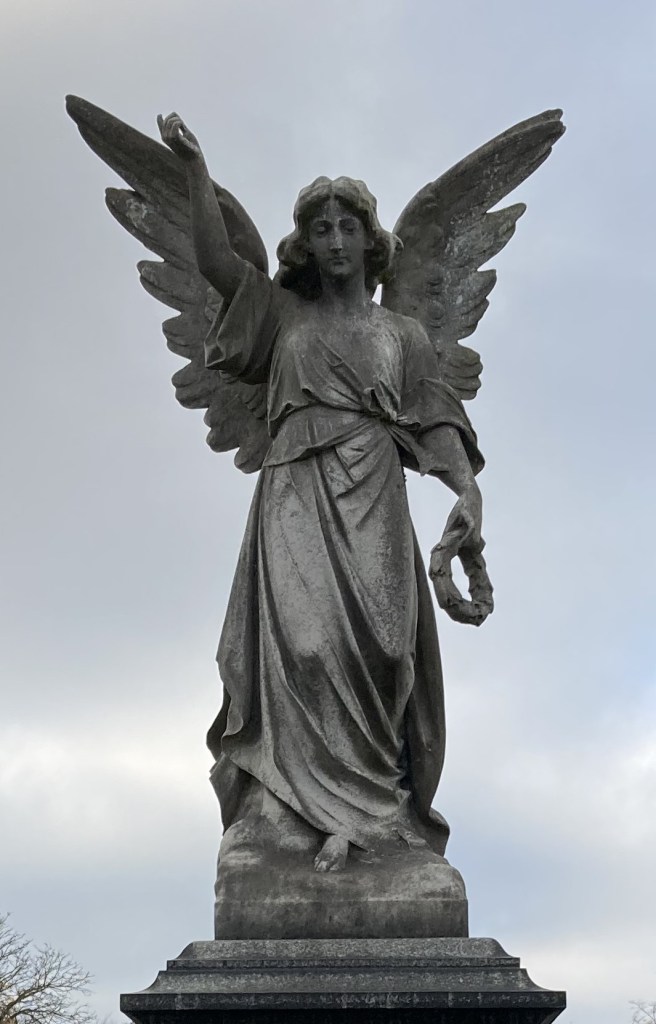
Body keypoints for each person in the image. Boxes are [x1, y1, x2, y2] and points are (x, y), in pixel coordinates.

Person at [159, 113, 485, 873]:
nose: (336, 240)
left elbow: (436, 420)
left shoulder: (403, 334)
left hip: (375, 491)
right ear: (305, 243)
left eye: (348, 227)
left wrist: (467, 494)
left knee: (385, 652)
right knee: (304, 647)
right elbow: (215, 260)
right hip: (296, 489)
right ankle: (287, 811)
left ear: (371, 240)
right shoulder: (281, 316)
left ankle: (378, 816)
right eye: (321, 228)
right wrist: (195, 171)